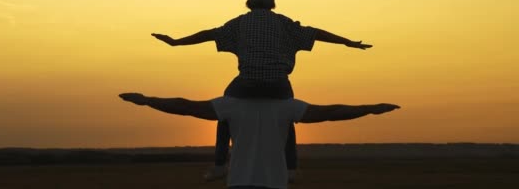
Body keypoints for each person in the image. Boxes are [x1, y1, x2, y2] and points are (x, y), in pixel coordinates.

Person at [151, 0, 372, 180]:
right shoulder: (284, 23)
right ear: (272, 3)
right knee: (288, 116)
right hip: (278, 84)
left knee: (224, 110)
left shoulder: (240, 23)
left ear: (249, 3)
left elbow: (209, 34)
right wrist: (347, 43)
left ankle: (219, 164)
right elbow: (316, 33)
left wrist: (177, 42)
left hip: (246, 83)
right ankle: (291, 168)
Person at [119, 92, 400, 189]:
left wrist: (147, 101)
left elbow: (184, 106)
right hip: (273, 182)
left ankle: (219, 167)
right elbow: (331, 113)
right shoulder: (286, 106)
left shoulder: (230, 105)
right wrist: (371, 108)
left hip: (241, 180)